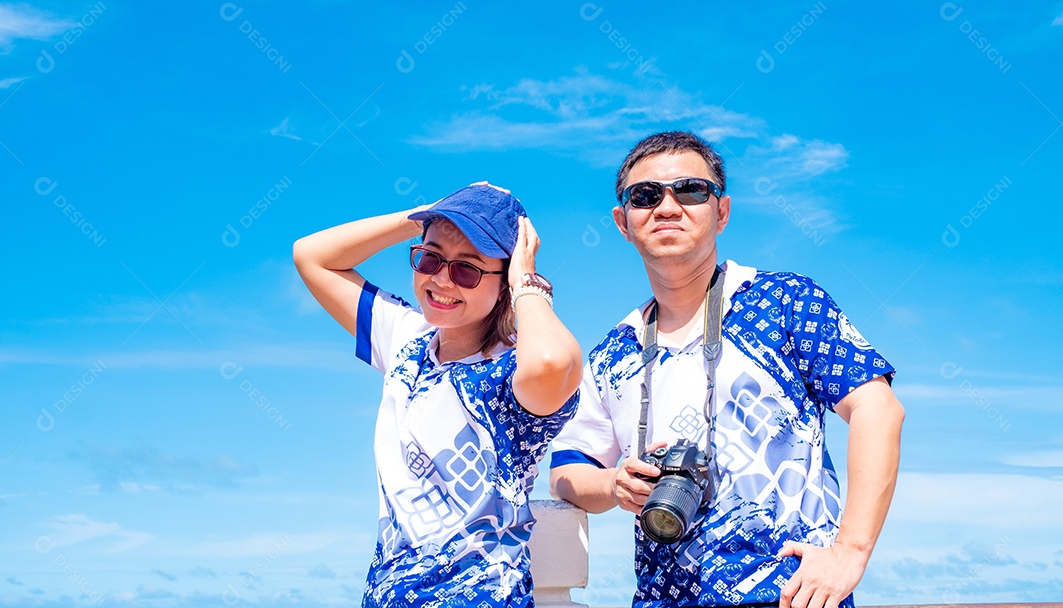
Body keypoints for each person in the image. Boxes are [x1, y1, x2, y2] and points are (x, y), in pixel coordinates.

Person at [548, 132, 905, 608]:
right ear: (623, 221)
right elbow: (566, 470)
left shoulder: (784, 302)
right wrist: (614, 484)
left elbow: (877, 409)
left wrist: (850, 552)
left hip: (794, 596)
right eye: (645, 196)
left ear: (722, 212)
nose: (668, 207)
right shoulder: (613, 352)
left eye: (691, 190)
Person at [293, 183, 582, 608]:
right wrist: (426, 214)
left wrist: (527, 279)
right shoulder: (408, 340)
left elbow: (555, 363)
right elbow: (312, 256)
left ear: (505, 284)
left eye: (468, 269)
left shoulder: (512, 371)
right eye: (430, 258)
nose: (441, 279)